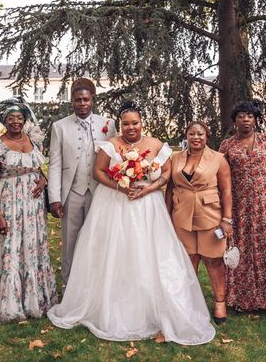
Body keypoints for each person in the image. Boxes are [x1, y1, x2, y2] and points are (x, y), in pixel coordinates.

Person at [48, 102, 216, 345]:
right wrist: (119, 186)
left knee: (149, 252)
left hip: (148, 205)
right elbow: (99, 172)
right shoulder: (110, 145)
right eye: (126, 123)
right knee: (113, 252)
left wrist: (149, 188)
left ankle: (150, 305)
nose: (130, 128)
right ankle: (108, 303)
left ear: (141, 123)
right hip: (114, 204)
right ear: (120, 124)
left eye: (134, 123)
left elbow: (167, 172)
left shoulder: (156, 144)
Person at [0, 98, 58, 322]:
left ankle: (35, 299)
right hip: (9, 202)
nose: (15, 121)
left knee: (32, 247)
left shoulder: (34, 141)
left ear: (24, 119)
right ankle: (10, 302)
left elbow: (36, 167)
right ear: (4, 120)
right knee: (11, 249)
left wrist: (42, 179)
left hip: (33, 207)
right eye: (10, 118)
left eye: (19, 118)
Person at [219, 101, 266, 323]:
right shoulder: (227, 146)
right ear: (235, 120)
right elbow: (221, 177)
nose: (245, 119)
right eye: (241, 116)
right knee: (241, 251)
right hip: (239, 208)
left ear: (256, 119)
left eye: (249, 115)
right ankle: (242, 300)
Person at [47, 78, 116, 287]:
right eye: (78, 100)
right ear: (72, 101)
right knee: (70, 242)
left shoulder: (108, 124)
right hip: (72, 192)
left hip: (99, 192)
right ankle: (69, 287)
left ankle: (96, 286)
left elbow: (113, 159)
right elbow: (55, 164)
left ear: (92, 99)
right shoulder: (60, 127)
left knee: (98, 240)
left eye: (86, 99)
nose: (83, 103)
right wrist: (55, 198)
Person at [165, 121, 233, 324]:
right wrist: (166, 215)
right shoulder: (175, 158)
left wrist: (227, 219)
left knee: (213, 260)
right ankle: (190, 302)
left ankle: (220, 302)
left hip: (210, 216)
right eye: (191, 133)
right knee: (188, 260)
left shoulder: (218, 159)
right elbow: (169, 188)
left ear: (207, 137)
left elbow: (227, 190)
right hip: (181, 216)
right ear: (186, 136)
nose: (196, 137)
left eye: (200, 134)